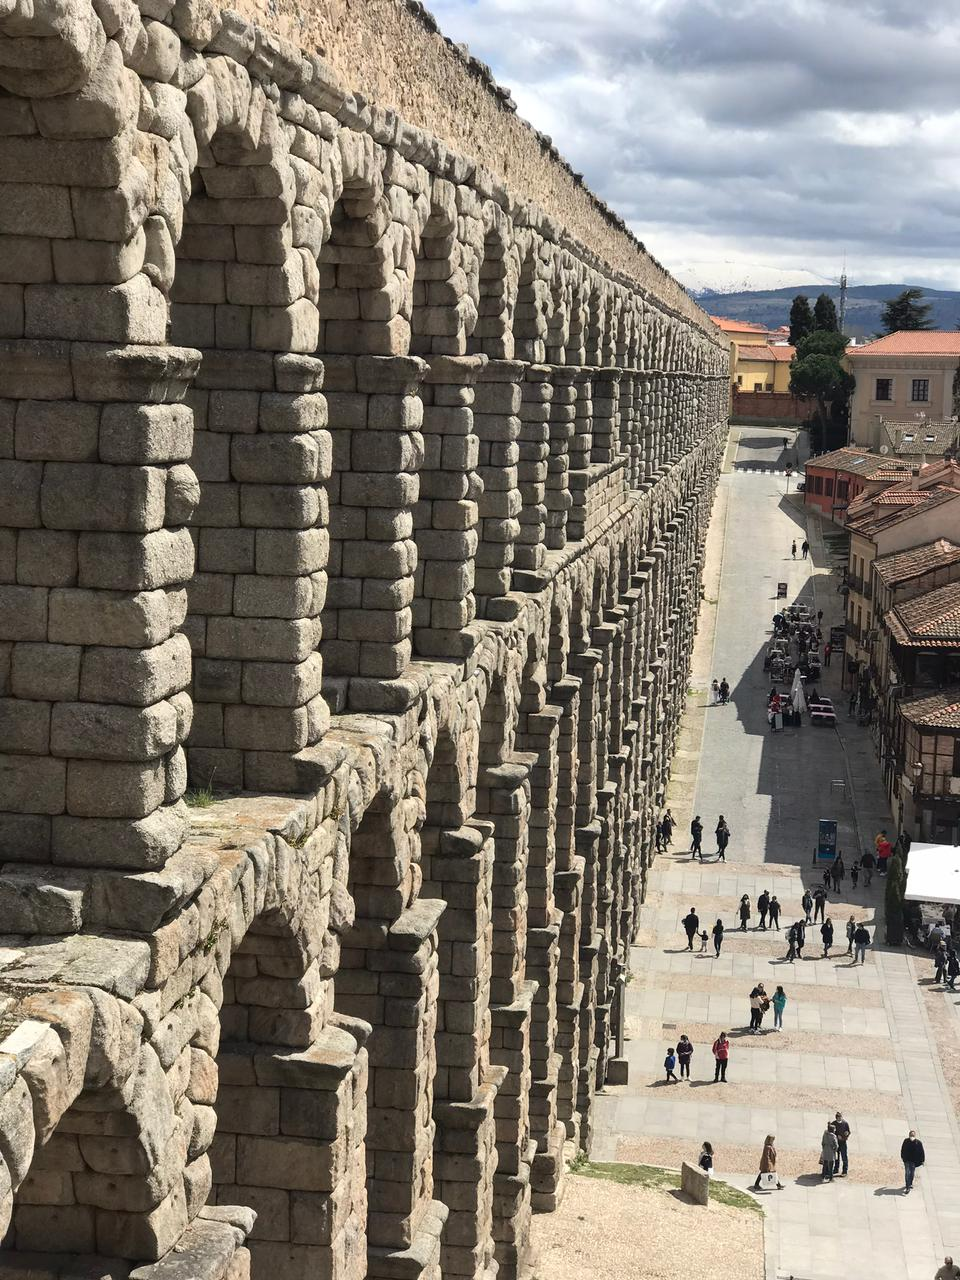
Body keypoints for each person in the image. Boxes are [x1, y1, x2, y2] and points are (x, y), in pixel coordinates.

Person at [901, 1129, 925, 1193]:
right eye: (911, 1134)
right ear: (909, 1135)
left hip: (914, 1161)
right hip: (907, 1161)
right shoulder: (906, 1141)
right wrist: (903, 1158)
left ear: (915, 1135)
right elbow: (902, 1149)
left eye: (913, 1134)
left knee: (912, 1173)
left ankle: (910, 1183)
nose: (912, 1135)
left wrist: (922, 1160)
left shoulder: (918, 1143)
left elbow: (922, 1152)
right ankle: (907, 1187)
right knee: (907, 1173)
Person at [833, 1111, 850, 1176]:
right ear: (836, 1118)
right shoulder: (833, 1124)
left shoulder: (845, 1123)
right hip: (836, 1143)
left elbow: (848, 1131)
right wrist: (837, 1136)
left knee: (844, 1156)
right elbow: (831, 1133)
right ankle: (836, 1169)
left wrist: (846, 1134)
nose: (840, 1119)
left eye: (841, 1117)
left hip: (843, 1142)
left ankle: (845, 1171)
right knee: (837, 1157)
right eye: (839, 1117)